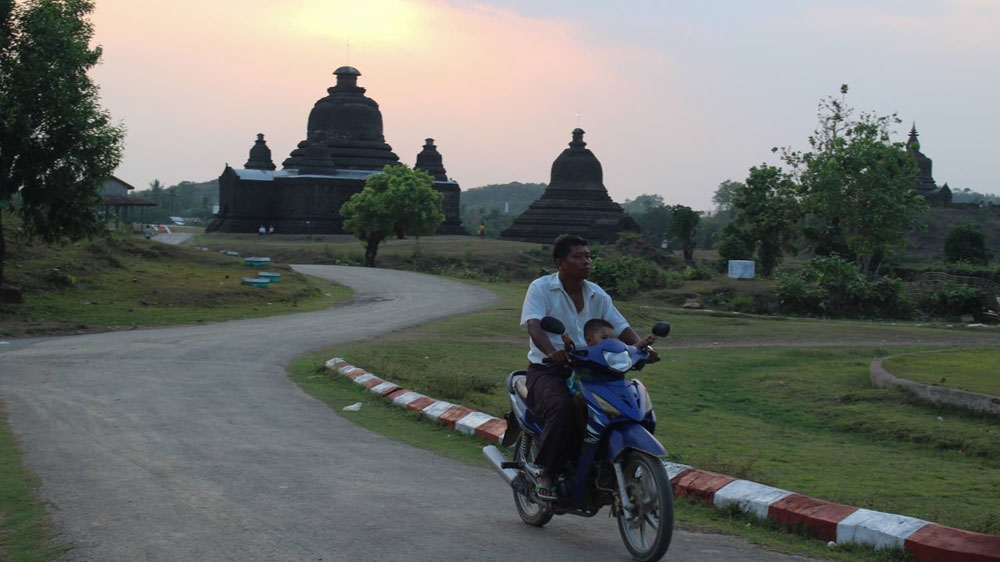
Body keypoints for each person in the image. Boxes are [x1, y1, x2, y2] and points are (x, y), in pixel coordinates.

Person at [520, 234, 655, 500]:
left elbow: (621, 327)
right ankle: (548, 472)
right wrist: (552, 352)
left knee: (622, 406)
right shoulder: (541, 288)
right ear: (560, 263)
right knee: (562, 407)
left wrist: (643, 350)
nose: (587, 261)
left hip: (594, 371)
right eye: (579, 257)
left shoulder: (597, 294)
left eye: (589, 256)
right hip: (550, 369)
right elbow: (534, 325)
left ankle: (604, 462)